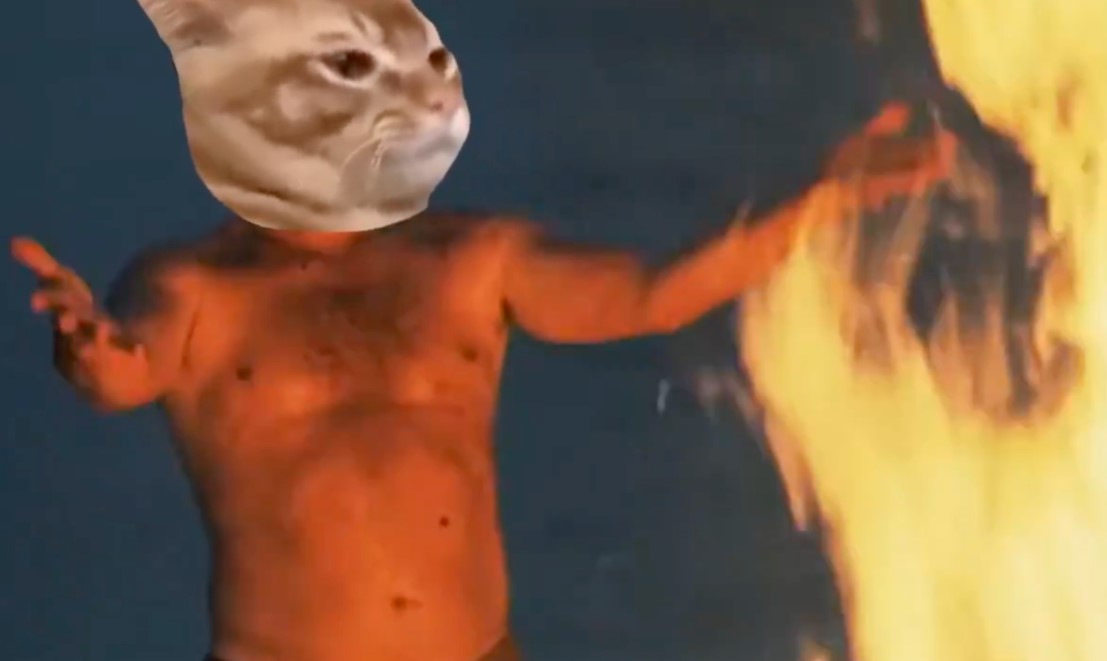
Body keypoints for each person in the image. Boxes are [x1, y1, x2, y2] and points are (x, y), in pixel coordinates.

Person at [12, 102, 955, 661]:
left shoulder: (470, 260)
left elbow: (652, 292)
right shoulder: (193, 287)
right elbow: (122, 371)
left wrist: (815, 195)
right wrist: (87, 345)